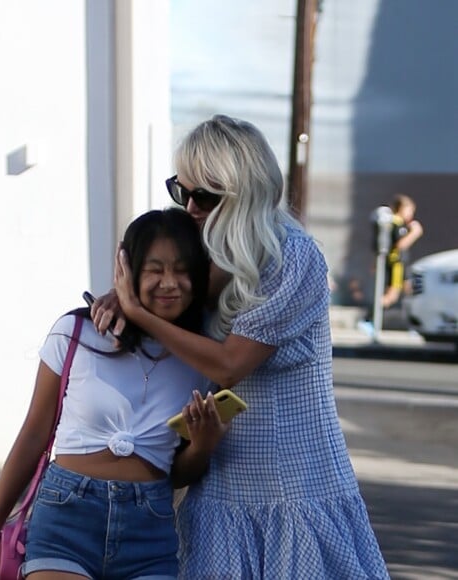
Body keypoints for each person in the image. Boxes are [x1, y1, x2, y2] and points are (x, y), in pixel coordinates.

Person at [102, 115, 389, 579]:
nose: (190, 208)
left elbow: (232, 363)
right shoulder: (199, 253)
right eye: (182, 191)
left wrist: (141, 313)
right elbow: (161, 293)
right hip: (219, 493)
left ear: (245, 193)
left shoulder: (292, 255)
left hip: (295, 490)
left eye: (207, 197)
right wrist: (128, 293)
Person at [0, 208, 228, 580]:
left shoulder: (204, 357)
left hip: (150, 531)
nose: (169, 282)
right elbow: (33, 434)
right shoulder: (76, 332)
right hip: (65, 518)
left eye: (182, 269)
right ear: (127, 269)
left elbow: (176, 472)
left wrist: (202, 447)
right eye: (154, 269)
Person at [382, 194, 423, 308]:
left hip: (401, 263)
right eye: (410, 210)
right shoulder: (396, 223)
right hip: (396, 262)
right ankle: (368, 317)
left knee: (408, 289)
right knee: (392, 295)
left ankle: (414, 315)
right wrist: (415, 233)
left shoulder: (400, 224)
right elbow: (400, 245)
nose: (411, 214)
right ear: (401, 208)